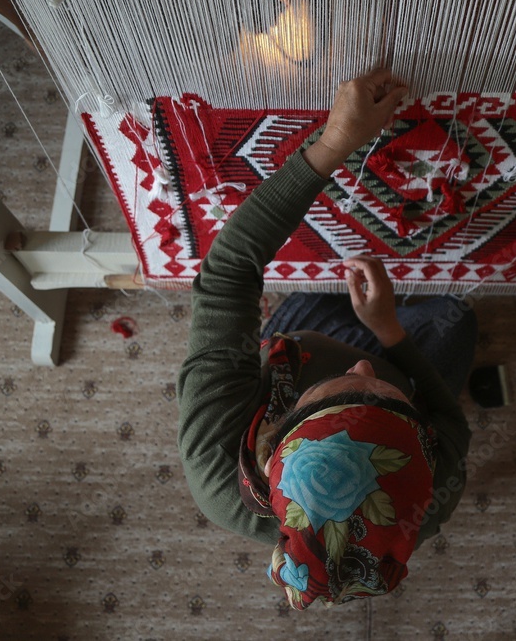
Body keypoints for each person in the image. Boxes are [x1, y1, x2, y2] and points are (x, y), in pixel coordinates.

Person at [177, 68, 476, 610]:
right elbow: (449, 419)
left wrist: (337, 139)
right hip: (380, 354)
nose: (366, 370)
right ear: (422, 451)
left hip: (298, 349)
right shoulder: (419, 499)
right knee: (455, 318)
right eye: (389, 402)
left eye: (340, 394)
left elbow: (227, 274)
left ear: (276, 433)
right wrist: (389, 333)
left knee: (322, 277)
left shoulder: (216, 465)